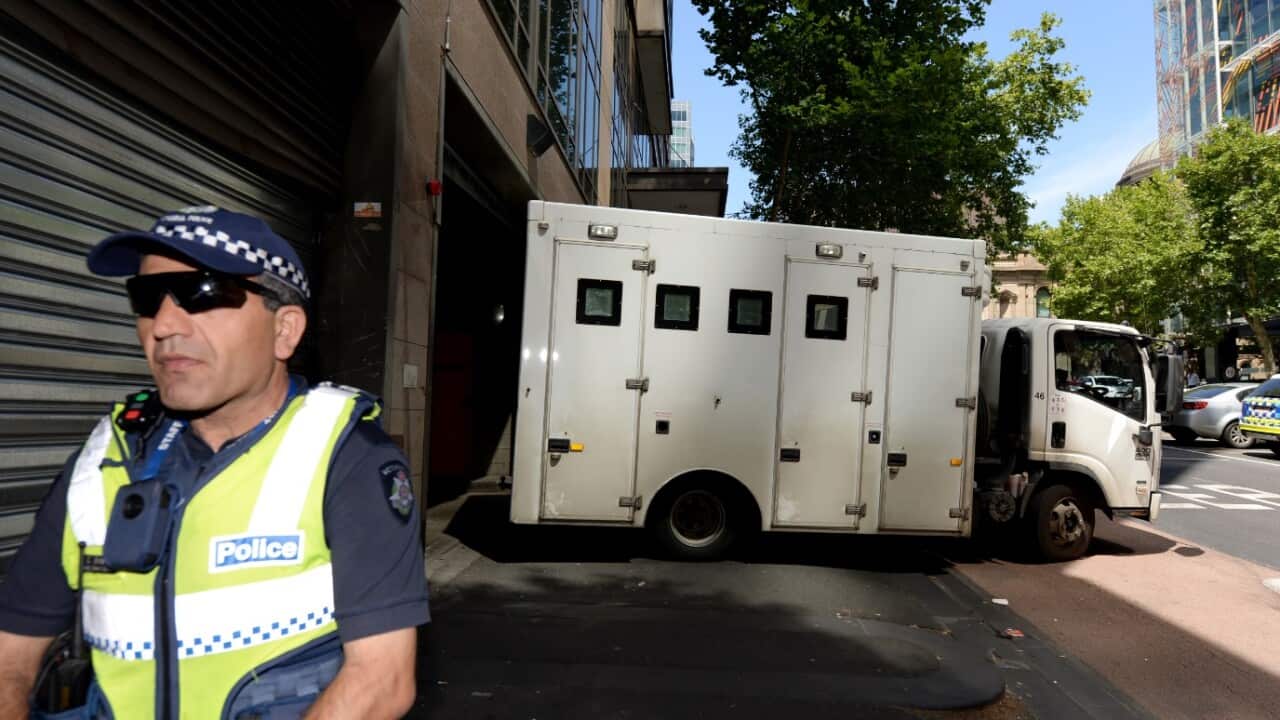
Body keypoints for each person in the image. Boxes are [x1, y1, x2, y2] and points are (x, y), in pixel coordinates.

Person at [0, 207, 428, 719]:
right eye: (146, 298)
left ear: (284, 330)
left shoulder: (348, 457)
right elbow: (10, 655)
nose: (162, 325)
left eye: (202, 293)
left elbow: (381, 680)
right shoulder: (104, 460)